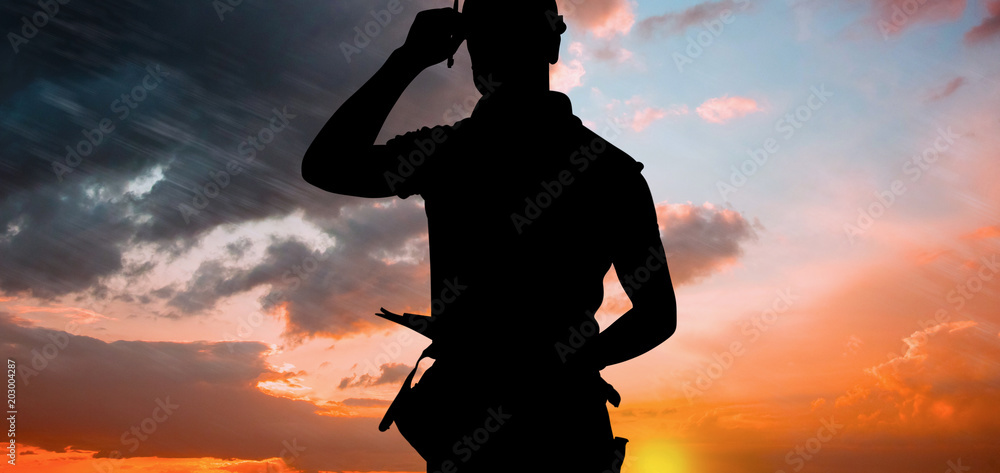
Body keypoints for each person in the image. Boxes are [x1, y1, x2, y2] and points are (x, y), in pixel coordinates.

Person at [301, 1, 677, 471]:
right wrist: (566, 367)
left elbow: (326, 165)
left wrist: (409, 58)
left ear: (469, 49)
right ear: (553, 43)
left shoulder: (446, 154)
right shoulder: (611, 172)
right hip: (565, 429)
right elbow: (658, 316)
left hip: (469, 426)